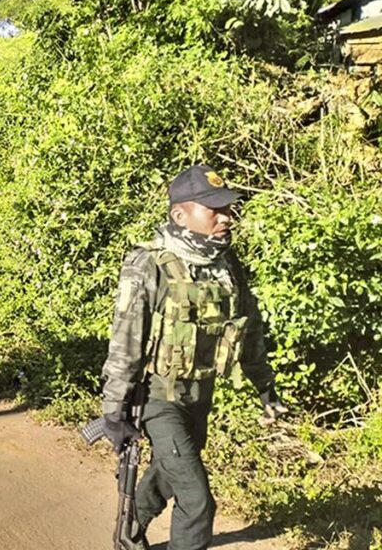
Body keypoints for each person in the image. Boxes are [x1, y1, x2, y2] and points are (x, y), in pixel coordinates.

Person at [100, 165, 288, 550]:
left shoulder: (227, 264)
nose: (226, 218)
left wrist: (266, 388)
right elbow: (126, 344)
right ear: (180, 215)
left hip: (200, 394)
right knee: (197, 501)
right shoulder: (148, 264)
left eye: (228, 210)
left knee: (168, 474)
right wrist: (114, 411)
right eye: (213, 210)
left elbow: (248, 330)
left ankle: (129, 529)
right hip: (157, 399)